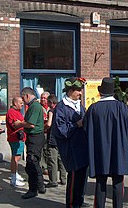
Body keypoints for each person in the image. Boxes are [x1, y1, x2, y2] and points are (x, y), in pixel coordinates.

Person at [84, 77, 128, 208]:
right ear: (114, 92)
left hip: (100, 151)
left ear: (101, 92)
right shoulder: (122, 108)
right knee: (118, 183)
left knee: (100, 183)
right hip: (118, 151)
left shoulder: (93, 109)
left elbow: (86, 129)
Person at [52, 77, 89, 208]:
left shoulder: (80, 106)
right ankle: (72, 204)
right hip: (71, 149)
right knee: (73, 177)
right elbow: (61, 130)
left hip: (83, 147)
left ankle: (80, 200)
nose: (80, 93)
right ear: (70, 91)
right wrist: (76, 124)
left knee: (83, 177)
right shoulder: (61, 108)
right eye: (78, 91)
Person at [15, 87, 46, 199]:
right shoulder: (34, 106)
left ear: (27, 95)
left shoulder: (34, 106)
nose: (23, 101)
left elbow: (31, 124)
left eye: (23, 98)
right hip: (35, 137)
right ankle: (38, 186)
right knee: (33, 162)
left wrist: (20, 124)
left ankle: (36, 187)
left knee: (32, 162)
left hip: (35, 137)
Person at [44, 94, 66, 188]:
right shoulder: (62, 110)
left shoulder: (51, 111)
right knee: (61, 159)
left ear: (51, 103)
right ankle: (63, 179)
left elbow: (49, 123)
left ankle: (53, 180)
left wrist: (43, 127)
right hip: (61, 137)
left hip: (53, 137)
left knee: (52, 159)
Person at [5, 97, 26, 187]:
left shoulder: (17, 112)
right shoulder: (11, 112)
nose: (22, 104)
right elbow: (15, 125)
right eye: (20, 103)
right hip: (15, 138)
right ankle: (13, 178)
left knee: (17, 157)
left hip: (20, 138)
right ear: (15, 103)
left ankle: (15, 174)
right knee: (16, 158)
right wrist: (25, 123)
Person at [40, 91, 50, 174]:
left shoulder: (51, 107)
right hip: (42, 132)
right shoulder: (39, 107)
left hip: (50, 132)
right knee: (42, 150)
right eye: (42, 98)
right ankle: (44, 167)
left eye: (45, 98)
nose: (43, 99)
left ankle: (50, 166)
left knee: (48, 150)